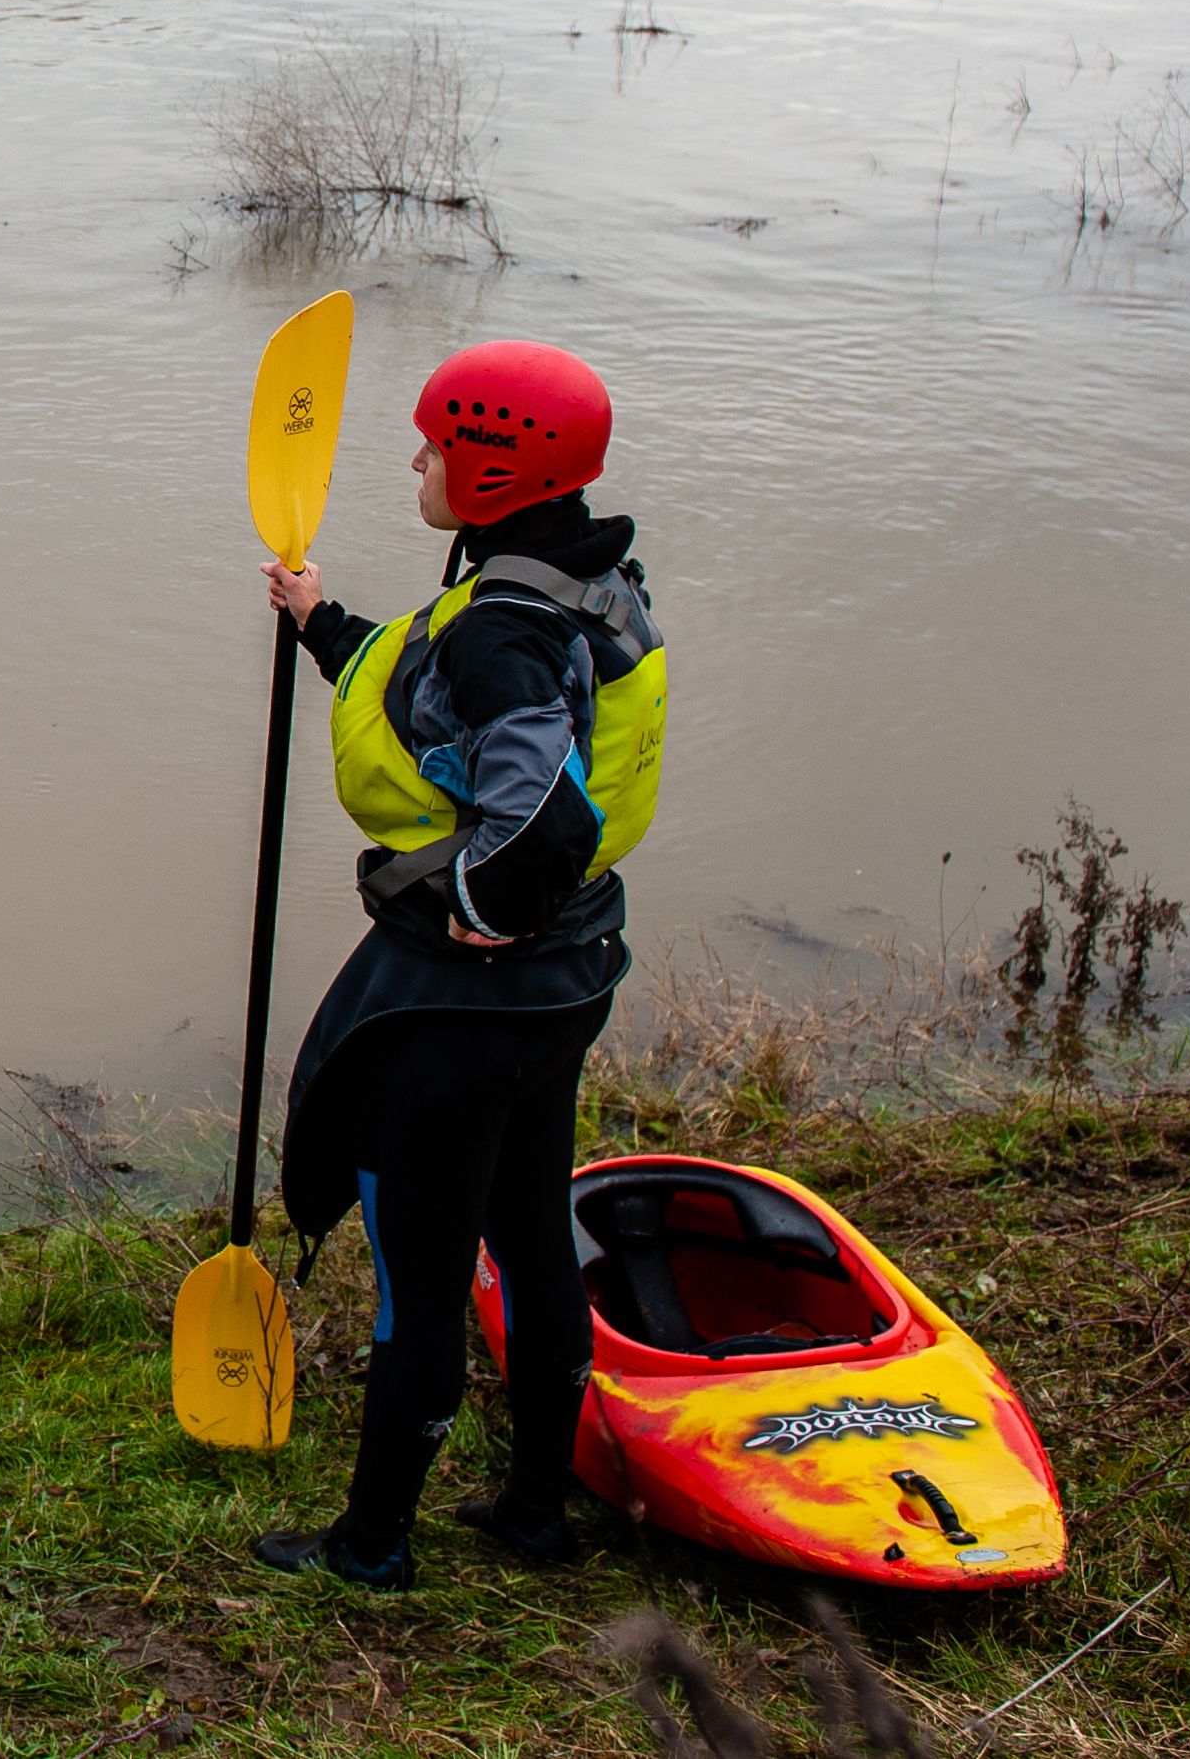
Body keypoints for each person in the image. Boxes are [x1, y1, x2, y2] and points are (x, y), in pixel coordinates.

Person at [246, 339, 668, 1587]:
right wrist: (320, 619)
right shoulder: (589, 581)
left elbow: (535, 802)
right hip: (568, 978)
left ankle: (369, 1542)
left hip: (472, 998)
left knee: (420, 1278)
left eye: (434, 441)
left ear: (488, 467)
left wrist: (483, 903)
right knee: (533, 1237)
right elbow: (450, 697)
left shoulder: (503, 632)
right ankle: (535, 1510)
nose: (416, 458)